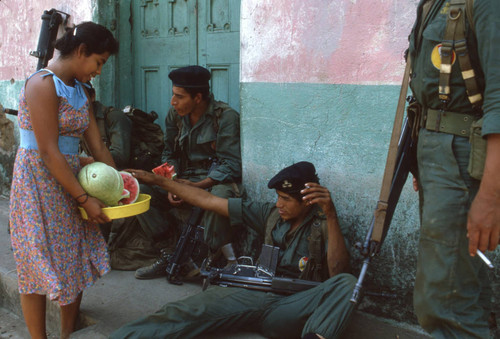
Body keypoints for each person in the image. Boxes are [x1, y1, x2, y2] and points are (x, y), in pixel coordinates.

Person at [110, 161, 356, 339]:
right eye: (278, 197)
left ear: (308, 200)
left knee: (348, 284)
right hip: (254, 292)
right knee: (184, 312)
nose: (279, 204)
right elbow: (209, 201)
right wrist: (159, 181)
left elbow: (338, 272)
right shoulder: (269, 214)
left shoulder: (325, 224)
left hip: (291, 307)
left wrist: (331, 215)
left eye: (287, 199)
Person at [9, 22, 119, 339]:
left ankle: (67, 334)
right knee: (35, 260)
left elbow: (97, 145)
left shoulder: (83, 90)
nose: (98, 71)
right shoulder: (41, 84)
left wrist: (119, 185)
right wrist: (83, 198)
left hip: (70, 179)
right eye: (98, 62)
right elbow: (47, 150)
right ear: (81, 51)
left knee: (74, 258)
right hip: (38, 182)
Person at [407, 0, 500, 337]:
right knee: (455, 283)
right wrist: (420, 161)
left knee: (444, 300)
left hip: (460, 159)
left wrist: (490, 197)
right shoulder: (432, 3)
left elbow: (499, 101)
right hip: (437, 156)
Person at [135, 65, 242, 279]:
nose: (173, 102)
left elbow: (231, 164)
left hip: (212, 181)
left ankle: (215, 260)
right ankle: (169, 253)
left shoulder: (225, 117)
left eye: (179, 97)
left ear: (198, 97)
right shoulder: (175, 115)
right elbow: (168, 152)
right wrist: (170, 182)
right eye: (173, 95)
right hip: (182, 179)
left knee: (221, 198)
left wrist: (196, 187)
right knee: (141, 191)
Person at [80, 84, 132, 169]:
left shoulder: (114, 117)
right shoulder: (79, 120)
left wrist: (87, 161)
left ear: (92, 96)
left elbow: (121, 157)